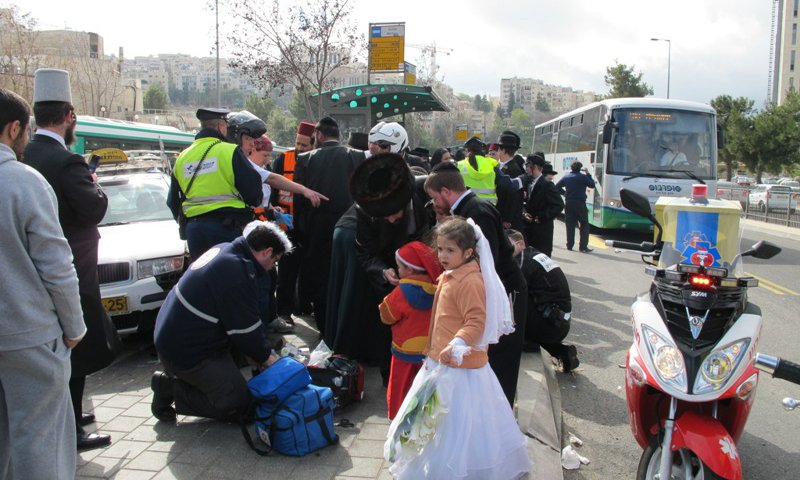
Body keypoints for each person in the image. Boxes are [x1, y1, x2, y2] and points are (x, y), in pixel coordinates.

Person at [384, 217, 531, 479]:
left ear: (468, 252)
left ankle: (456, 470)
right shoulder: (452, 275)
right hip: (442, 361)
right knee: (439, 422)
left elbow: (476, 320)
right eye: (440, 249)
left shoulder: (470, 281)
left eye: (450, 250)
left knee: (453, 424)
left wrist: (459, 342)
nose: (442, 255)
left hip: (459, 367)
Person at [23, 68, 120, 451]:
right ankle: (73, 429)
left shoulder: (24, 155)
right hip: (72, 272)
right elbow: (94, 209)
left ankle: (69, 414)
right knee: (76, 346)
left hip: (32, 273)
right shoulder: (67, 162)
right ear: (69, 117)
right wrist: (94, 183)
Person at [0, 88, 86, 478]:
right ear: (14, 128)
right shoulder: (22, 182)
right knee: (40, 441)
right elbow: (56, 266)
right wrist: (74, 327)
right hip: (28, 335)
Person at [150, 221, 290, 422]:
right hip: (186, 351)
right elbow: (245, 330)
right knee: (242, 406)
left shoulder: (227, 250)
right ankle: (169, 387)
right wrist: (266, 358)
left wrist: (257, 353)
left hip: (181, 336)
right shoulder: (237, 271)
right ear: (267, 252)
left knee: (244, 364)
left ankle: (205, 380)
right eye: (275, 261)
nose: (271, 268)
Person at [424, 163, 527, 407]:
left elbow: (486, 261)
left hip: (504, 290)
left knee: (500, 357)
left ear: (446, 191)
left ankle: (497, 415)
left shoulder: (476, 211)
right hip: (489, 289)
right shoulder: (471, 207)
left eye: (434, 198)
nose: (434, 204)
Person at [349, 152, 433, 384]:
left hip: (426, 276)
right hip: (389, 280)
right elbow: (364, 252)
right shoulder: (365, 211)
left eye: (394, 213)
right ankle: (391, 379)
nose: (391, 219)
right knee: (387, 328)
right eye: (384, 216)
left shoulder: (422, 192)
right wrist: (383, 271)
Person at [294, 116, 366, 335]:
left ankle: (325, 330)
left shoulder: (305, 159)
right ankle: (344, 328)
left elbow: (299, 200)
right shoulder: (356, 156)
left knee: (320, 280)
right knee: (346, 277)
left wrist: (299, 231)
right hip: (350, 227)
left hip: (316, 229)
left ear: (319, 135)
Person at [167, 106, 263, 260]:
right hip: (226, 228)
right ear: (221, 126)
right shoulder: (229, 151)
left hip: (195, 232)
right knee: (230, 278)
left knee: (203, 279)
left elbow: (172, 202)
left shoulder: (182, 158)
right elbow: (253, 193)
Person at [378, 241, 442, 419]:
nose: (398, 270)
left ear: (410, 270)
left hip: (403, 351)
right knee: (425, 388)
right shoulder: (439, 289)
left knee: (401, 387)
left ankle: (399, 416)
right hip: (429, 352)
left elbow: (387, 317)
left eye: (399, 267)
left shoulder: (400, 292)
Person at [507, 230, 579, 372]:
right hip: (558, 322)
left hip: (552, 323)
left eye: (508, 246)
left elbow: (511, 291)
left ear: (520, 244)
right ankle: (563, 352)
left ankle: (525, 342)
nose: (505, 251)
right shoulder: (534, 255)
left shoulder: (523, 261)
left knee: (514, 298)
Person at [272, 121, 317, 321]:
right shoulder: (283, 159)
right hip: (287, 227)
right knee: (286, 274)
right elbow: (273, 191)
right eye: (298, 143)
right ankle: (284, 312)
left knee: (309, 271)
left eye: (304, 145)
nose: (299, 148)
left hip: (310, 228)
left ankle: (304, 305)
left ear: (314, 145)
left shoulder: (318, 162)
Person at [522, 153, 564, 257]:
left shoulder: (547, 185)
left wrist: (541, 217)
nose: (526, 168)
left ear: (535, 167)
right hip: (528, 231)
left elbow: (558, 205)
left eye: (527, 165)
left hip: (541, 232)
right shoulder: (527, 182)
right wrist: (523, 213)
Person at [556, 161, 596, 253]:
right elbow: (592, 185)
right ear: (580, 168)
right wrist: (588, 174)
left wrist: (565, 193)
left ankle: (569, 245)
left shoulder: (567, 177)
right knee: (584, 224)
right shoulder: (583, 177)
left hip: (569, 203)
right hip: (580, 203)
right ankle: (583, 247)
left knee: (570, 224)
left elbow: (557, 186)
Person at [494, 130, 526, 232]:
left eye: (498, 149)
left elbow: (513, 197)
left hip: (505, 218)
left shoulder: (514, 169)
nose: (497, 152)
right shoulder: (498, 166)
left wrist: (507, 218)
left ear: (503, 150)